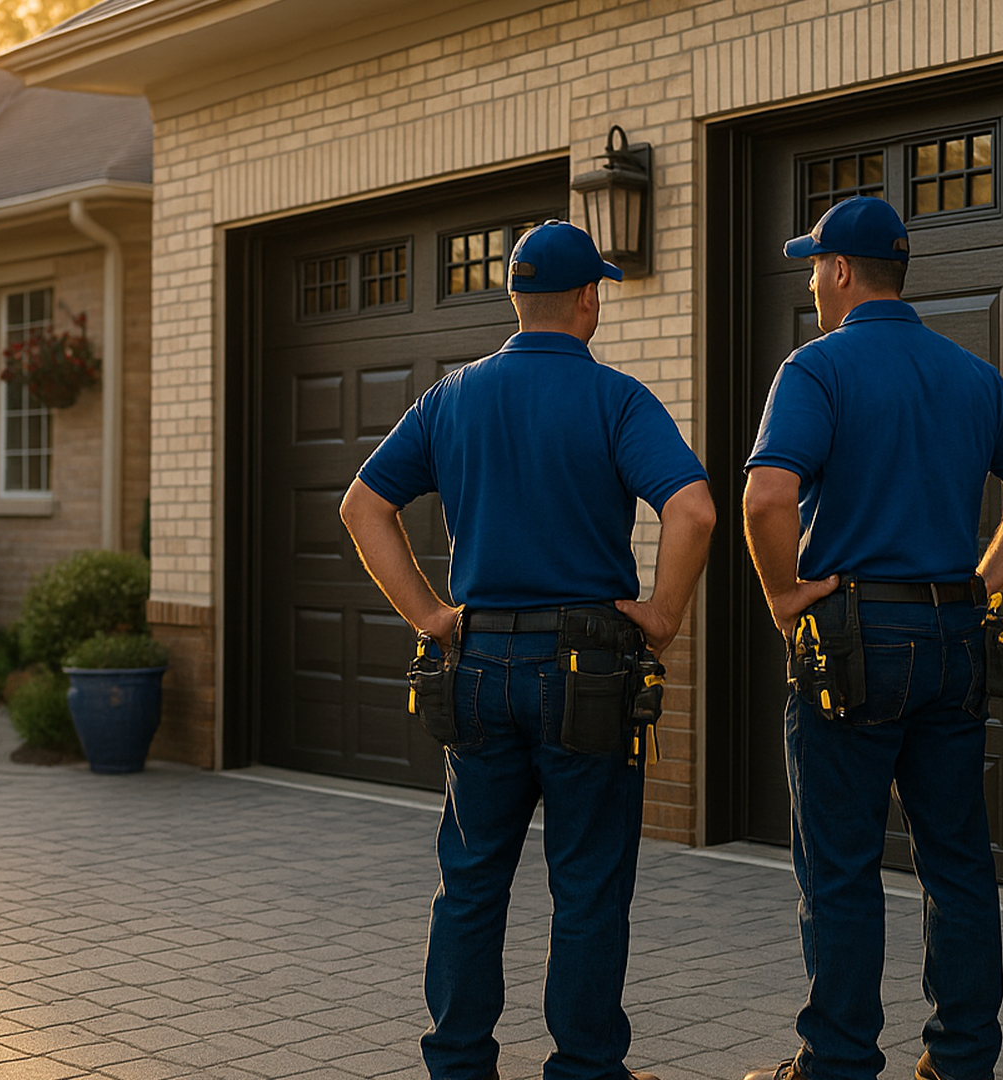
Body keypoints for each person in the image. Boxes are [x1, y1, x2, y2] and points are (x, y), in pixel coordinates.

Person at [340, 220, 716, 1080]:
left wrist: (431, 615)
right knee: (587, 885)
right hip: (589, 672)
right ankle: (585, 1069)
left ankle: (457, 1064)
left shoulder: (451, 397)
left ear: (516, 297)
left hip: (476, 668)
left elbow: (363, 507)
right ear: (587, 299)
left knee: (471, 878)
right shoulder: (617, 399)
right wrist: (663, 614)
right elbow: (693, 509)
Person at [739, 197, 1003, 1080]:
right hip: (953, 638)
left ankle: (839, 1063)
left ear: (843, 271)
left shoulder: (816, 369)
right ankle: (961, 1061)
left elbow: (767, 496)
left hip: (852, 644)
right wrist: (982, 584)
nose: (812, 283)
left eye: (816, 267)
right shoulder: (970, 374)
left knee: (841, 866)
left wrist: (784, 596)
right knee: (957, 861)